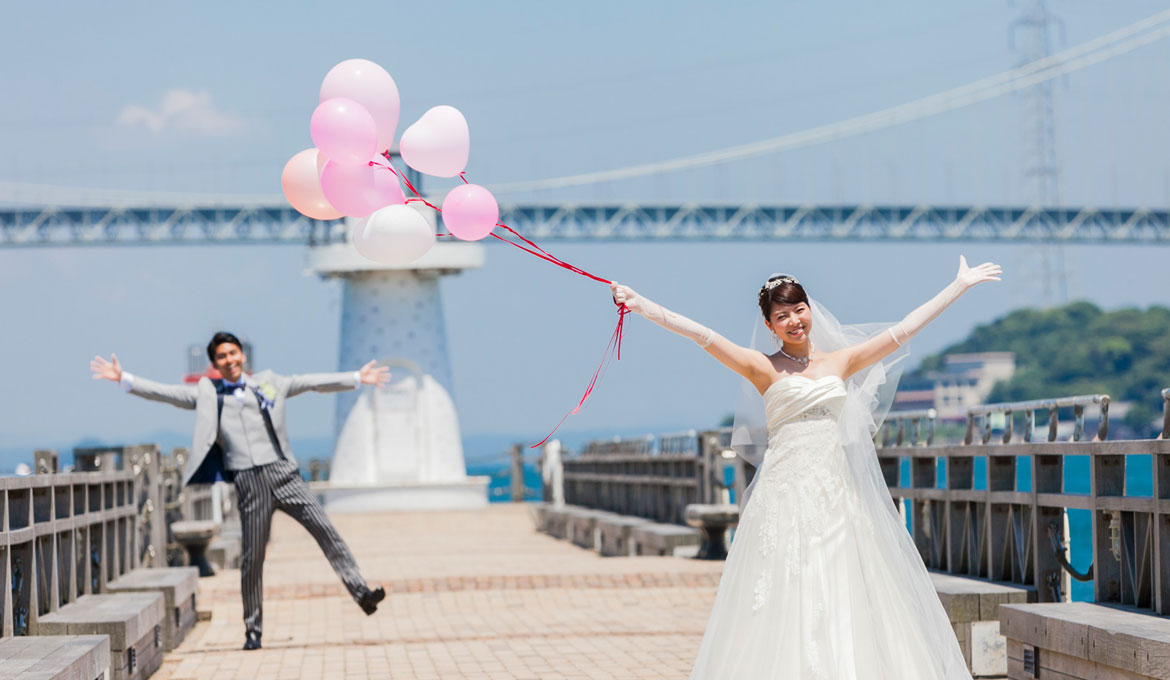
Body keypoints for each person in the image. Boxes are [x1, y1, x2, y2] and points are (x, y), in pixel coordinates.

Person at [610, 256, 1001, 679]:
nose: (794, 321)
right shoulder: (762, 366)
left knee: (845, 590)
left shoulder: (840, 362)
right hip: (784, 494)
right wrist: (642, 305)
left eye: (799, 310)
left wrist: (958, 286)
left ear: (809, 310)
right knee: (785, 593)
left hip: (838, 494)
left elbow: (903, 330)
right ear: (769, 323)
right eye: (783, 315)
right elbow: (702, 336)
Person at [90, 331, 392, 651]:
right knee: (252, 558)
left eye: (233, 353)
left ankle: (362, 593)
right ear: (214, 363)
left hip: (284, 473)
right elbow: (167, 394)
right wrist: (125, 379)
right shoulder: (210, 394)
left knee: (326, 530)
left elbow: (310, 382)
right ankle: (253, 630)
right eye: (222, 356)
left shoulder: (269, 382)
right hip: (248, 481)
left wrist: (358, 377)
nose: (229, 360)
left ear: (243, 355)